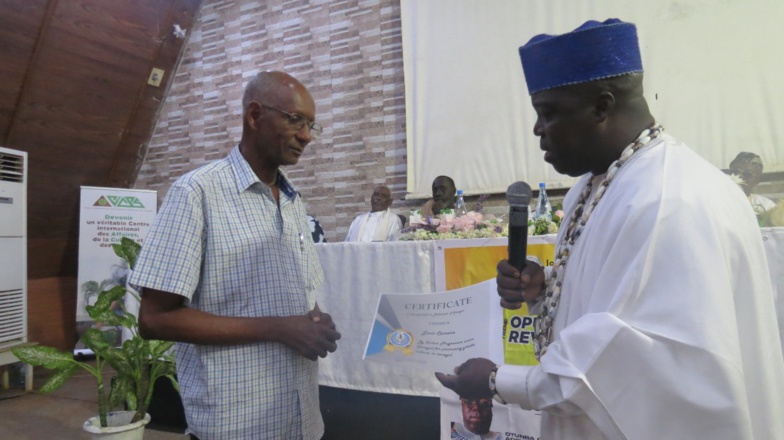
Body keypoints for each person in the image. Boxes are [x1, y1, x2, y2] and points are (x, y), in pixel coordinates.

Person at [436, 19, 784, 439]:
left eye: (548, 113)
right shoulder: (596, 184)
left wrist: (494, 380)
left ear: (602, 106)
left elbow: (619, 370)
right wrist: (544, 292)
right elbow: (612, 312)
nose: (537, 129)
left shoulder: (667, 200)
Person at [130, 71, 341, 440]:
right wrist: (280, 328)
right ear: (255, 116)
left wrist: (311, 321)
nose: (306, 136)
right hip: (236, 422)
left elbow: (285, 293)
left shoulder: (292, 201)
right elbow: (154, 319)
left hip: (300, 417)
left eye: (311, 125)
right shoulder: (197, 193)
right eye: (295, 120)